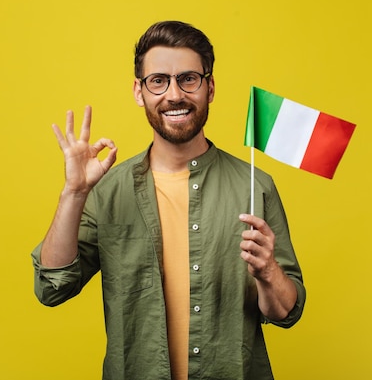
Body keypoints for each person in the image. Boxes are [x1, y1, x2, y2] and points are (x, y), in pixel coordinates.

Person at [31, 20, 306, 380]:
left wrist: (268, 272)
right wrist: (74, 193)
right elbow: (52, 287)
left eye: (188, 79)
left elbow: (286, 312)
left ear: (210, 88)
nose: (174, 94)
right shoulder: (109, 190)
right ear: (139, 91)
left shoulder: (255, 186)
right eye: (158, 81)